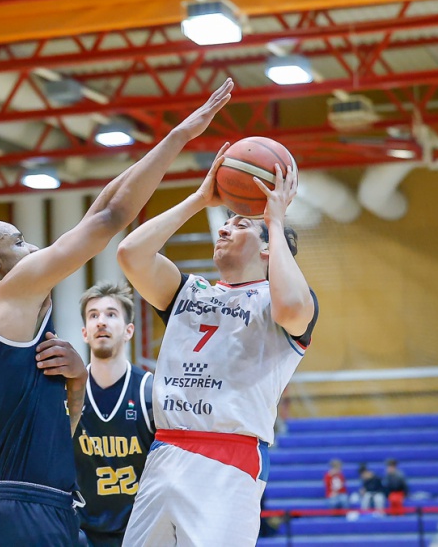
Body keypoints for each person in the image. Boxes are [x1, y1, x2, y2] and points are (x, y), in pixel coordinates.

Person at [0, 79, 233, 546]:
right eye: (18, 242)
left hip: (43, 505)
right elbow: (109, 220)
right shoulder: (5, 295)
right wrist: (180, 136)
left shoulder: (3, 326)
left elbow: (99, 211)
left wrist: (77, 387)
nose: (34, 247)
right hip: (23, 512)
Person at [115, 148, 316, 546]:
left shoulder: (279, 301)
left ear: (267, 247)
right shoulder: (188, 291)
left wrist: (275, 221)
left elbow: (292, 308)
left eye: (239, 225)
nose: (223, 230)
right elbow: (130, 254)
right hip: (165, 448)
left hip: (229, 458)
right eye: (225, 223)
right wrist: (199, 198)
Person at [73, 282, 153, 547]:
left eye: (111, 314)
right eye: (93, 315)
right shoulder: (66, 394)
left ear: (129, 330)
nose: (101, 321)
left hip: (140, 531)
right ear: (85, 333)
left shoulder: (150, 392)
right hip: (81, 532)